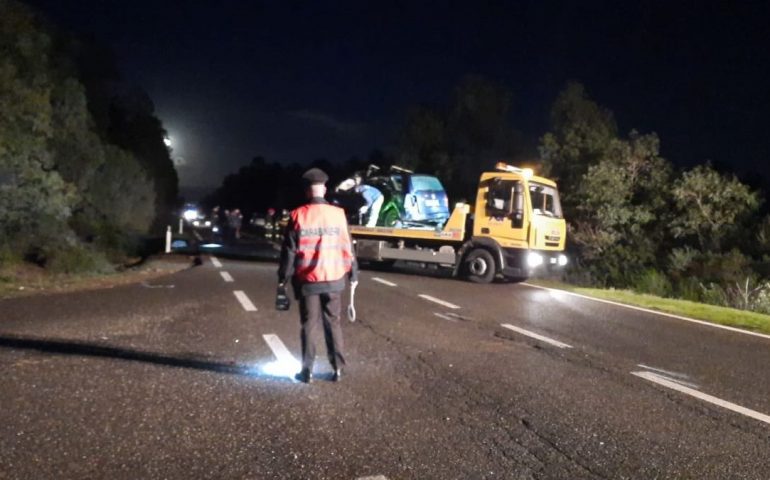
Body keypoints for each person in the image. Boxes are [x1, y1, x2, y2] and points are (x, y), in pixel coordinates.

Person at [278, 167, 358, 384]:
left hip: (308, 281)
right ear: (324, 189)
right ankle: (338, 368)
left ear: (307, 191)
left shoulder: (297, 215)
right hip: (334, 279)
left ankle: (307, 371)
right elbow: (348, 247)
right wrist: (354, 274)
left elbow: (289, 253)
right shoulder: (338, 214)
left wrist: (282, 280)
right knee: (333, 323)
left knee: (309, 325)